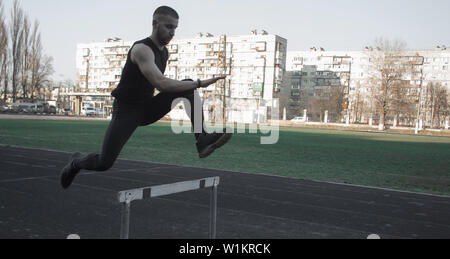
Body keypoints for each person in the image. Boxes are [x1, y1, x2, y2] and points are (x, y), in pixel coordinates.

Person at [60, 6, 232, 189]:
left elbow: (162, 86)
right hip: (126, 111)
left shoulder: (164, 53)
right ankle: (75, 161)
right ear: (154, 23)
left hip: (147, 108)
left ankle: (202, 139)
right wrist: (199, 83)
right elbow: (161, 83)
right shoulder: (141, 49)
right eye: (168, 27)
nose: (172, 32)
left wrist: (192, 85)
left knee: (187, 87)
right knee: (104, 162)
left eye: (175, 28)